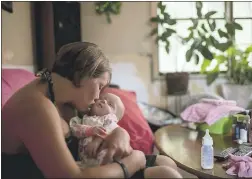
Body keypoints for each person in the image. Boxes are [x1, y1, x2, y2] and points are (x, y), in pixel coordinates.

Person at [2, 42, 181, 178]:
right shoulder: (37, 107)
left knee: (166, 162)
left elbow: (101, 123)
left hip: (87, 164)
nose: (99, 96)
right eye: (99, 86)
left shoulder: (60, 95)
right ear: (82, 75)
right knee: (167, 175)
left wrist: (120, 134)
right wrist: (132, 163)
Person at [70, 92, 183, 178]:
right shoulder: (82, 118)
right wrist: (90, 131)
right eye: (102, 99)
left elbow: (110, 130)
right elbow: (75, 129)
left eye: (110, 104)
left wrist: (97, 139)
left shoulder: (108, 119)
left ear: (115, 116)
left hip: (114, 158)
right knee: (167, 173)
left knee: (168, 162)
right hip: (104, 166)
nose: (103, 101)